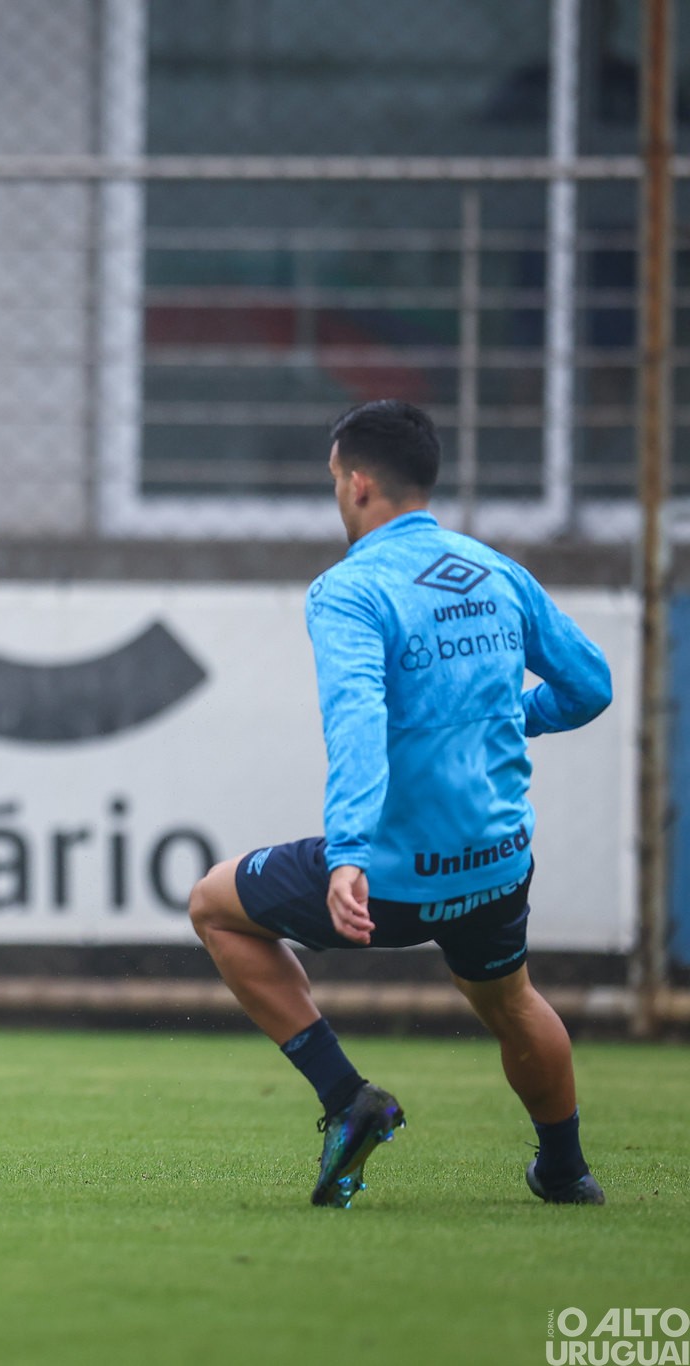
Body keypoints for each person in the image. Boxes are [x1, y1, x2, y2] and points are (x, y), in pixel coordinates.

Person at [187, 399, 613, 1209]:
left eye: (333, 480)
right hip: (495, 861)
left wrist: (348, 853)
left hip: (391, 873)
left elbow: (356, 723)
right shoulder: (493, 570)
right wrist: (510, 718)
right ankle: (565, 1171)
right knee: (510, 999)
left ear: (356, 484)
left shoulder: (349, 591)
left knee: (214, 904)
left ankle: (347, 1098)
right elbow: (589, 685)